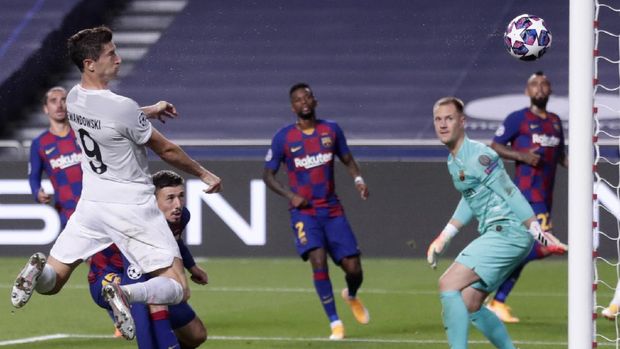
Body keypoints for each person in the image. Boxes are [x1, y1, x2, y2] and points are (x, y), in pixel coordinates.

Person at [10, 26, 222, 341]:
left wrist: (149, 111)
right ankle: (124, 293)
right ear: (90, 64)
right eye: (111, 54)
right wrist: (205, 174)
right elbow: (165, 149)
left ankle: (36, 275)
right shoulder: (119, 106)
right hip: (131, 206)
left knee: (54, 281)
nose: (119, 59)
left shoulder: (74, 99)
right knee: (178, 287)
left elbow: (112, 120)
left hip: (91, 204)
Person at [427, 97, 566, 349]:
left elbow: (510, 192)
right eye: (438, 119)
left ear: (462, 122)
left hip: (508, 232)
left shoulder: (480, 156)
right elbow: (470, 198)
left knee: (448, 284)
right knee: (470, 303)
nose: (443, 124)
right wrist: (444, 236)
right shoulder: (454, 160)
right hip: (500, 233)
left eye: (449, 118)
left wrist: (538, 232)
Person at [263, 82, 370, 340]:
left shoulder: (331, 130)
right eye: (299, 99)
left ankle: (351, 295)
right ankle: (335, 323)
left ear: (315, 101)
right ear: (293, 107)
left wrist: (358, 180)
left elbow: (348, 160)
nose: (304, 102)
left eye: (308, 97)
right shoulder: (284, 138)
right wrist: (291, 195)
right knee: (318, 261)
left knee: (354, 269)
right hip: (304, 214)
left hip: (332, 211)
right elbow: (267, 175)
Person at [89, 170, 207, 348]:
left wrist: (192, 267)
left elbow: (175, 242)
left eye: (181, 196)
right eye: (170, 198)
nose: (178, 204)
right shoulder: (135, 227)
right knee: (155, 300)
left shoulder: (181, 217)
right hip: (107, 281)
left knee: (196, 335)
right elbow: (137, 282)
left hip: (145, 272)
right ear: (152, 201)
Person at [487, 71, 569, 323]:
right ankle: (490, 293)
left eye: (544, 84)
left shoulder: (555, 121)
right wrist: (522, 156)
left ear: (550, 90)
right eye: (534, 84)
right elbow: (495, 146)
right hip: (527, 195)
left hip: (545, 194)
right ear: (527, 91)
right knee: (545, 247)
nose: (540, 88)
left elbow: (561, 156)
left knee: (527, 249)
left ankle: (497, 300)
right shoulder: (518, 119)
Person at [28, 86, 82, 229]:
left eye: (63, 100)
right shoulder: (40, 144)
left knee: (111, 251)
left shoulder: (83, 135)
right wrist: (37, 192)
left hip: (97, 209)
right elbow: (34, 177)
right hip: (68, 213)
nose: (59, 105)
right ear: (45, 108)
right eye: (53, 101)